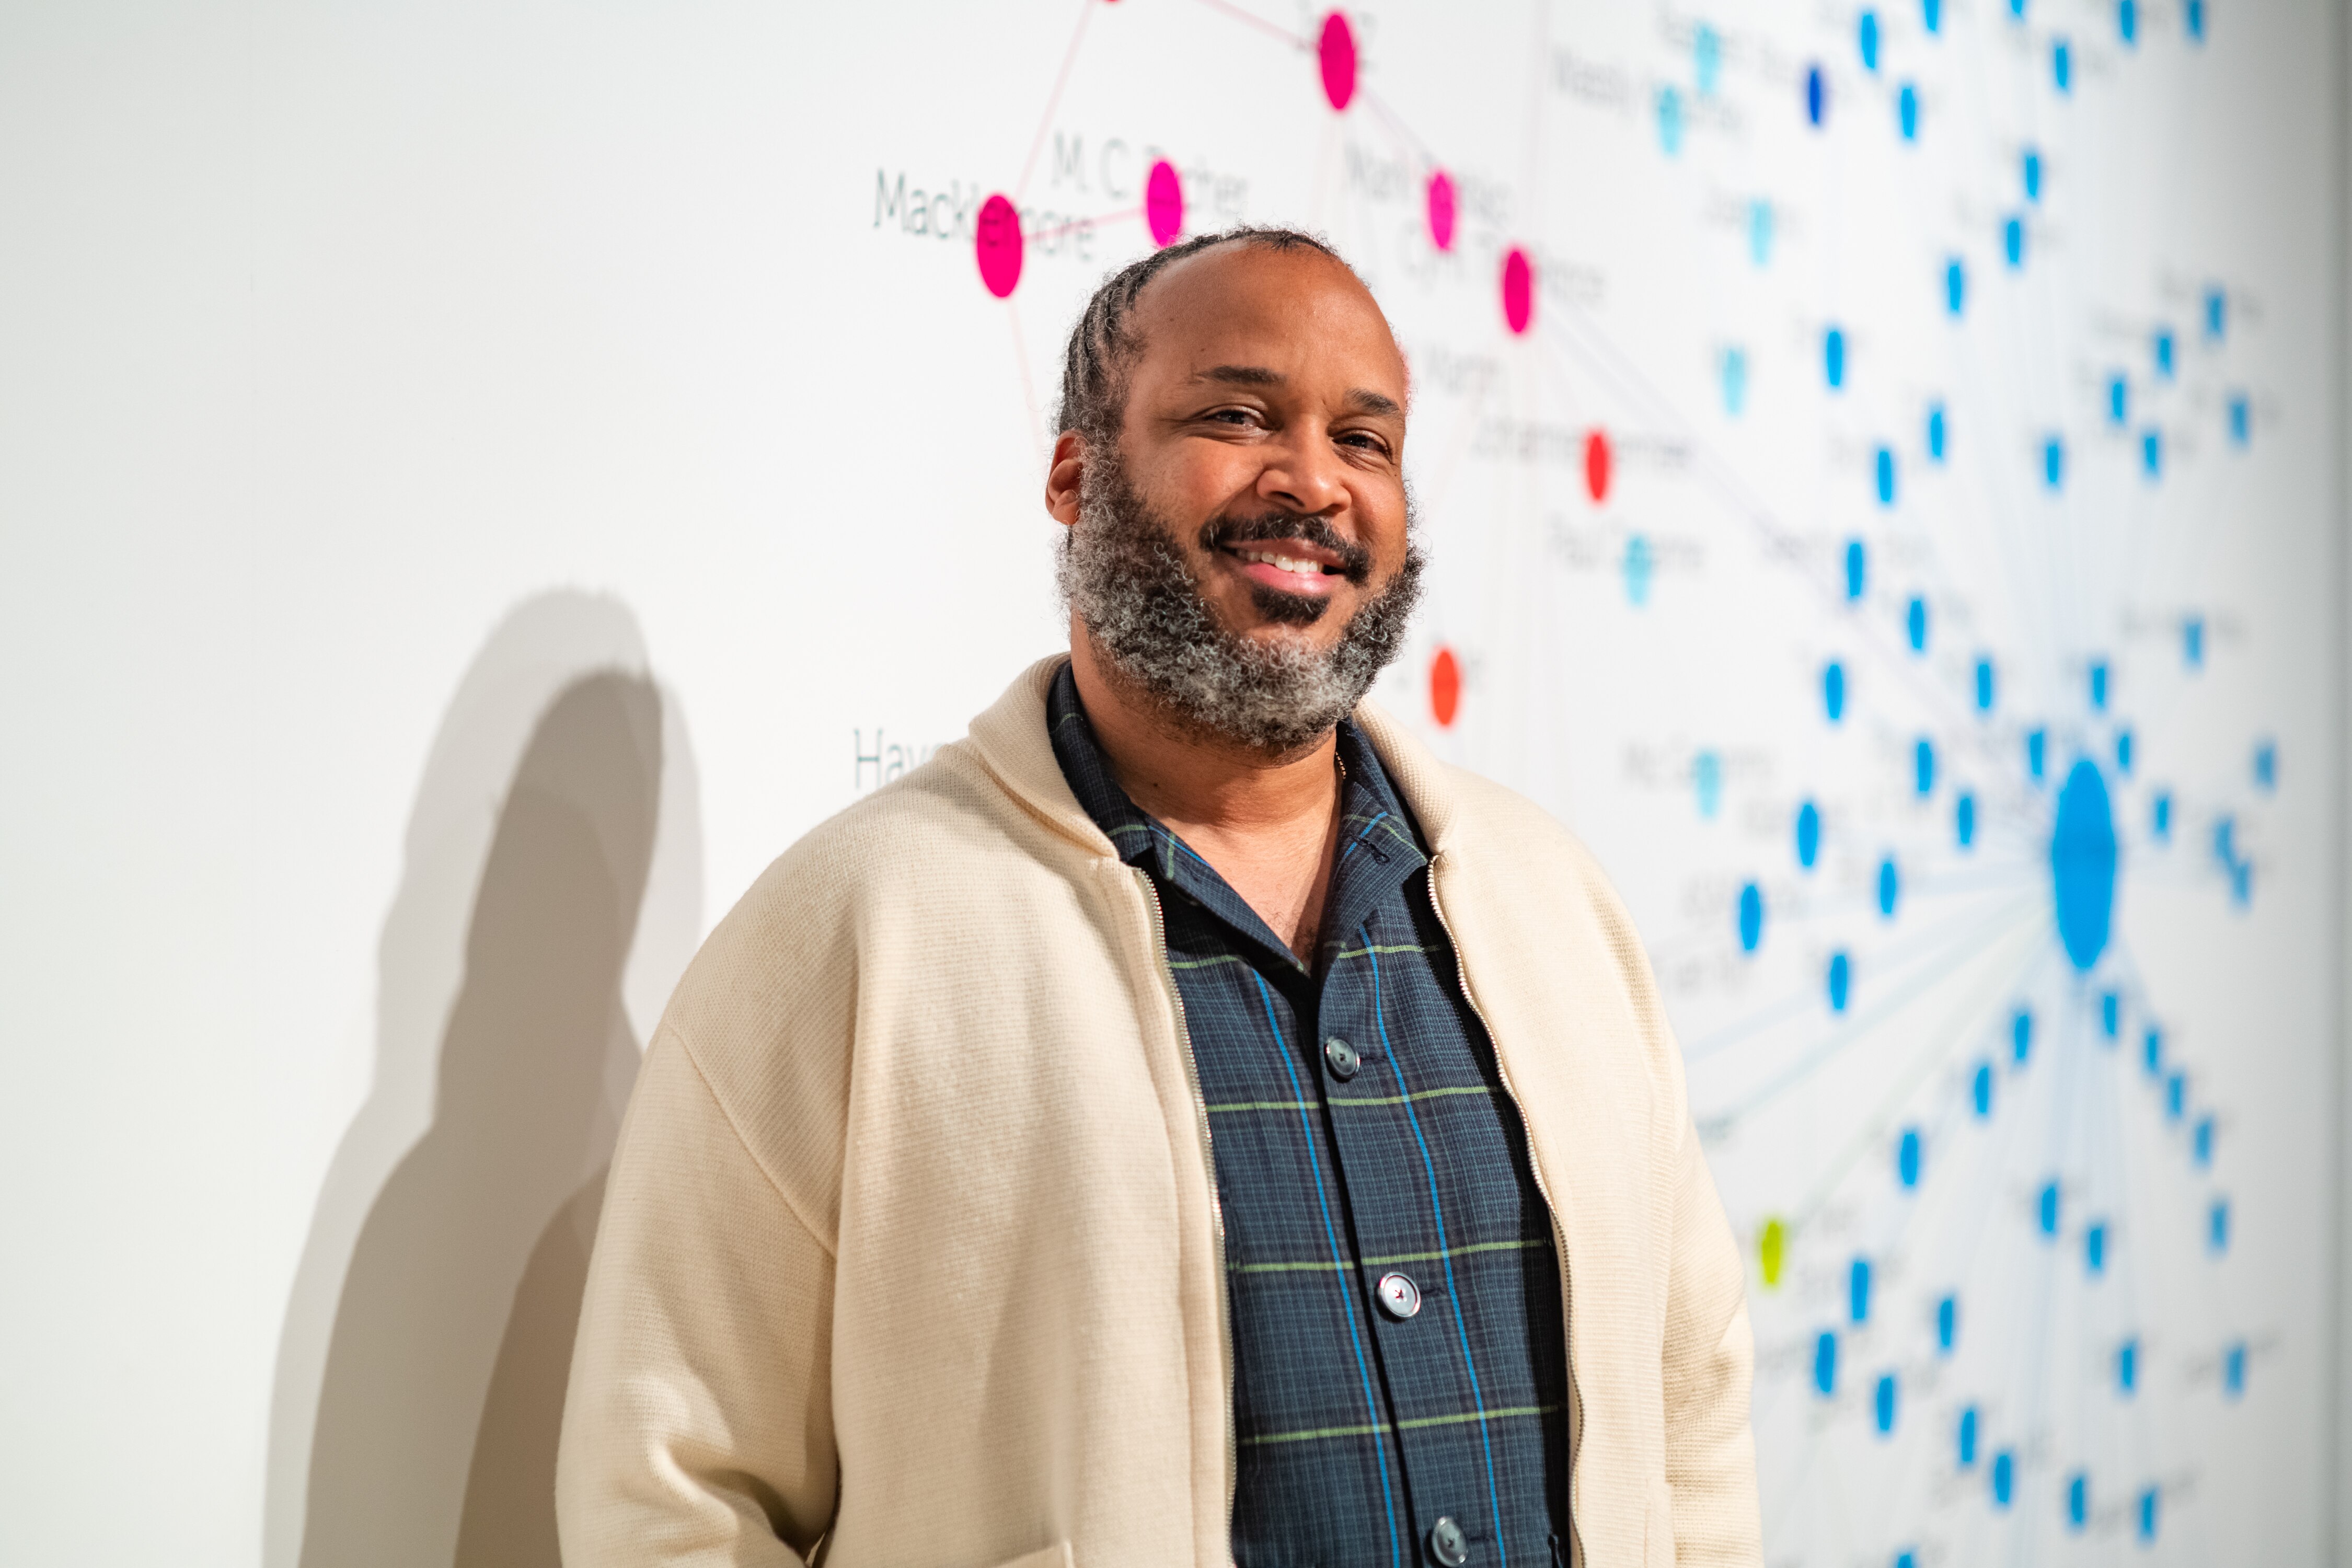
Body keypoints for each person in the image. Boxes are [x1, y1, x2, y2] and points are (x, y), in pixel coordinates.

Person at [557, 228, 1761, 1568]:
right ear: (1077, 475)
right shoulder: (858, 929)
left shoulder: (1549, 905)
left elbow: (1689, 1409)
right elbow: (669, 1500)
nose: (1312, 479)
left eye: (1365, 441)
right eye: (1238, 415)